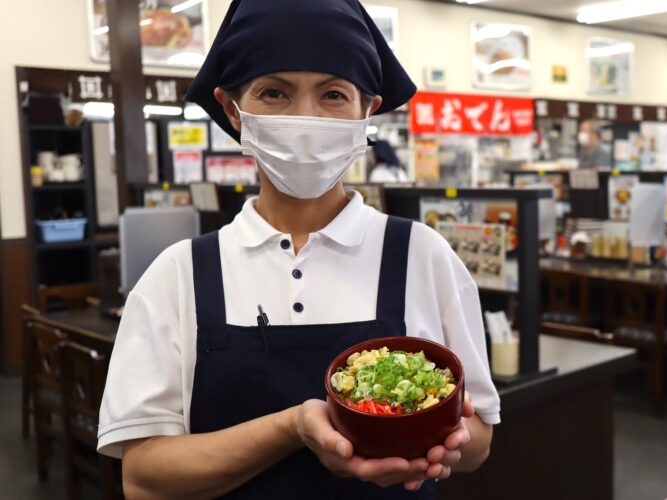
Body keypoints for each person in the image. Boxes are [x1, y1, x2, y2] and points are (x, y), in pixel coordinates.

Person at [96, 0, 499, 498]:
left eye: (333, 94)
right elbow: (142, 478)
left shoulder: (424, 255)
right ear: (232, 110)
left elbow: (479, 438)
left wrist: (443, 446)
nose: (306, 118)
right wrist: (291, 428)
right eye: (274, 93)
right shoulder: (179, 274)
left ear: (366, 111)